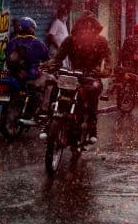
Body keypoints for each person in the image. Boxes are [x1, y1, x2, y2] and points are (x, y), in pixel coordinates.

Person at [48, 11, 112, 144]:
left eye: (90, 26)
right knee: (56, 88)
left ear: (95, 27)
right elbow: (58, 57)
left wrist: (105, 71)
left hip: (91, 77)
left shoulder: (101, 42)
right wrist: (49, 65)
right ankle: (49, 122)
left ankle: (92, 127)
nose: (87, 29)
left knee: (93, 93)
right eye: (84, 26)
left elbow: (108, 61)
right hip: (72, 76)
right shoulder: (70, 40)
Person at [4, 17, 53, 119]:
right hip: (31, 76)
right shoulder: (38, 44)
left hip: (14, 75)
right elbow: (47, 60)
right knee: (51, 81)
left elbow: (7, 56)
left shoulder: (12, 42)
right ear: (32, 29)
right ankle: (44, 108)